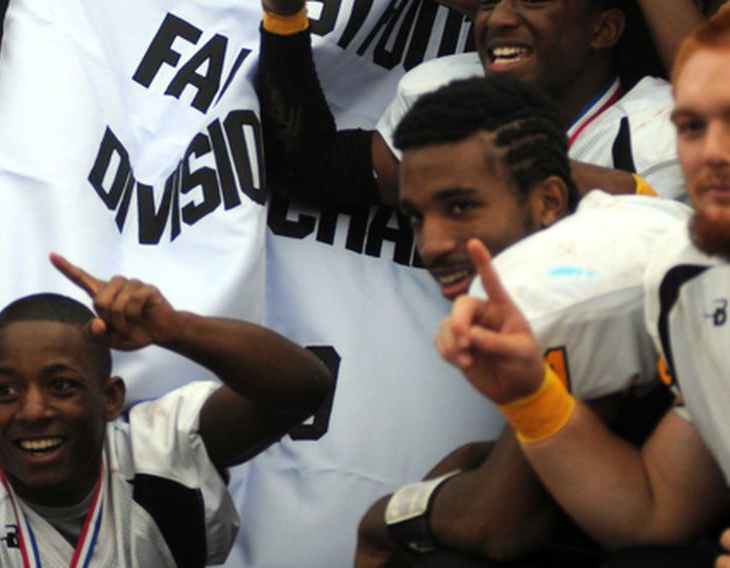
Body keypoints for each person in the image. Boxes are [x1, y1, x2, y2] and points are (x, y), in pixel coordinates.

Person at [350, 75, 690, 567]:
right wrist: (474, 460)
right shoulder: (598, 224)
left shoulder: (580, 277)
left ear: (550, 202)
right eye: (419, 216)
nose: (433, 243)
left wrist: (381, 520)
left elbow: (501, 524)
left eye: (461, 207)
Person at [432, 11, 730, 566]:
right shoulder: (702, 283)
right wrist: (532, 396)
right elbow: (653, 511)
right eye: (692, 126)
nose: (712, 155)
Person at [0, 252, 334, 566]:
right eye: (6, 392)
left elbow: (302, 388)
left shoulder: (162, 453)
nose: (32, 410)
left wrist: (177, 328)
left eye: (61, 385)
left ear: (111, 397)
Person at [259, 0, 683, 205]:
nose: (498, 18)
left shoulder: (664, 137)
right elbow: (309, 167)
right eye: (486, 2)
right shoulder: (446, 96)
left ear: (603, 29)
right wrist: (284, 17)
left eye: (531, 0)